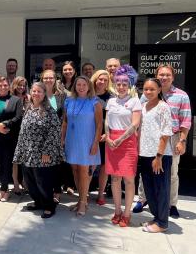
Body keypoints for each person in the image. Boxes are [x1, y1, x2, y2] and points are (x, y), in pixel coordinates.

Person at [134, 64, 192, 218]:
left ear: (173, 77)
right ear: (157, 76)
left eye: (167, 75)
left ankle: (171, 204)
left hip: (172, 138)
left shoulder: (181, 95)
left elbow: (185, 121)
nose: (164, 77)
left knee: (171, 173)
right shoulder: (145, 95)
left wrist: (182, 141)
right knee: (145, 171)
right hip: (149, 138)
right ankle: (143, 199)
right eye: (161, 75)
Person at [14, 82, 62, 218]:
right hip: (28, 153)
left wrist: (46, 151)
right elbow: (23, 132)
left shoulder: (49, 110)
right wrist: (20, 151)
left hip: (42, 154)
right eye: (33, 91)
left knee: (43, 182)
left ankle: (49, 206)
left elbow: (54, 132)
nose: (36, 94)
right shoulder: (28, 108)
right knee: (30, 182)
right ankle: (38, 202)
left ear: (44, 94)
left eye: (39, 91)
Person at [105, 65, 142, 227]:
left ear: (130, 84)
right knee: (114, 178)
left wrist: (119, 140)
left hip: (127, 142)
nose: (121, 86)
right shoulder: (111, 101)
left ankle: (127, 214)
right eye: (118, 83)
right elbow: (107, 121)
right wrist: (107, 137)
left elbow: (134, 125)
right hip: (111, 141)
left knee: (128, 179)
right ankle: (117, 211)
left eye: (124, 83)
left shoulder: (135, 101)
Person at [61, 76, 102, 216]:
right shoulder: (69, 100)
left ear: (89, 86)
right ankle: (80, 200)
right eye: (78, 84)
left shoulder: (95, 102)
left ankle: (83, 203)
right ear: (75, 86)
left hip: (87, 141)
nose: (81, 87)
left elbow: (99, 125)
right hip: (72, 140)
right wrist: (62, 139)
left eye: (84, 84)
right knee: (75, 171)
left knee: (84, 172)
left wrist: (95, 143)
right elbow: (65, 122)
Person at [138, 78, 173, 233]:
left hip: (159, 156)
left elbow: (166, 133)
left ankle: (162, 223)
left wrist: (158, 156)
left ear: (159, 90)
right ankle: (156, 217)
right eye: (145, 89)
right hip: (144, 154)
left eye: (152, 89)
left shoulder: (163, 107)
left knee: (161, 189)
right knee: (149, 188)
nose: (148, 92)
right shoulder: (143, 106)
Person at [41, 69, 67, 203]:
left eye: (51, 78)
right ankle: (45, 191)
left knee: (56, 165)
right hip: (41, 136)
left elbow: (64, 118)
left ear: (55, 79)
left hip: (56, 136)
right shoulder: (39, 94)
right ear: (42, 79)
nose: (48, 80)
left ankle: (56, 191)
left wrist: (62, 137)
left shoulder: (61, 96)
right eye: (46, 78)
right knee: (43, 164)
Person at [90, 70, 113, 205]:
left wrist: (107, 133)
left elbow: (112, 118)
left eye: (105, 80)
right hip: (90, 134)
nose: (102, 82)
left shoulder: (111, 97)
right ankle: (85, 191)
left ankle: (100, 194)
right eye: (100, 79)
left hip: (105, 136)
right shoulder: (89, 95)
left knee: (104, 166)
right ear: (95, 80)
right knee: (89, 165)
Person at [10, 76, 30, 194]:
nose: (22, 87)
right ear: (15, 85)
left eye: (24, 85)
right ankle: (15, 183)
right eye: (19, 85)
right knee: (15, 159)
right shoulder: (11, 98)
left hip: (26, 132)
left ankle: (25, 182)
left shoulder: (29, 97)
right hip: (14, 131)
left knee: (25, 158)